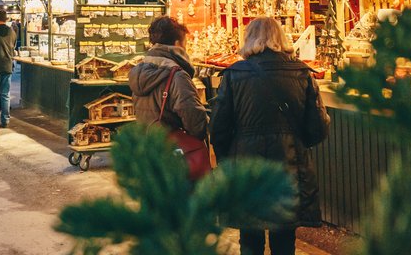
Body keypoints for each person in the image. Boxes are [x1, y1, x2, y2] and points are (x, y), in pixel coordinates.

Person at [210, 17, 330, 255]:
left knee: (250, 236)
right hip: (289, 162)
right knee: (284, 237)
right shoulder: (302, 73)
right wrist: (296, 142)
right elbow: (318, 126)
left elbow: (218, 128)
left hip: (246, 165)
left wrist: (228, 158)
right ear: (281, 38)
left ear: (249, 39)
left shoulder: (234, 75)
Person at [129, 15, 208, 143]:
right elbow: (194, 121)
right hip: (173, 148)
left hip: (147, 145)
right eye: (185, 43)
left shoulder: (139, 71)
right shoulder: (177, 75)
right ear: (178, 44)